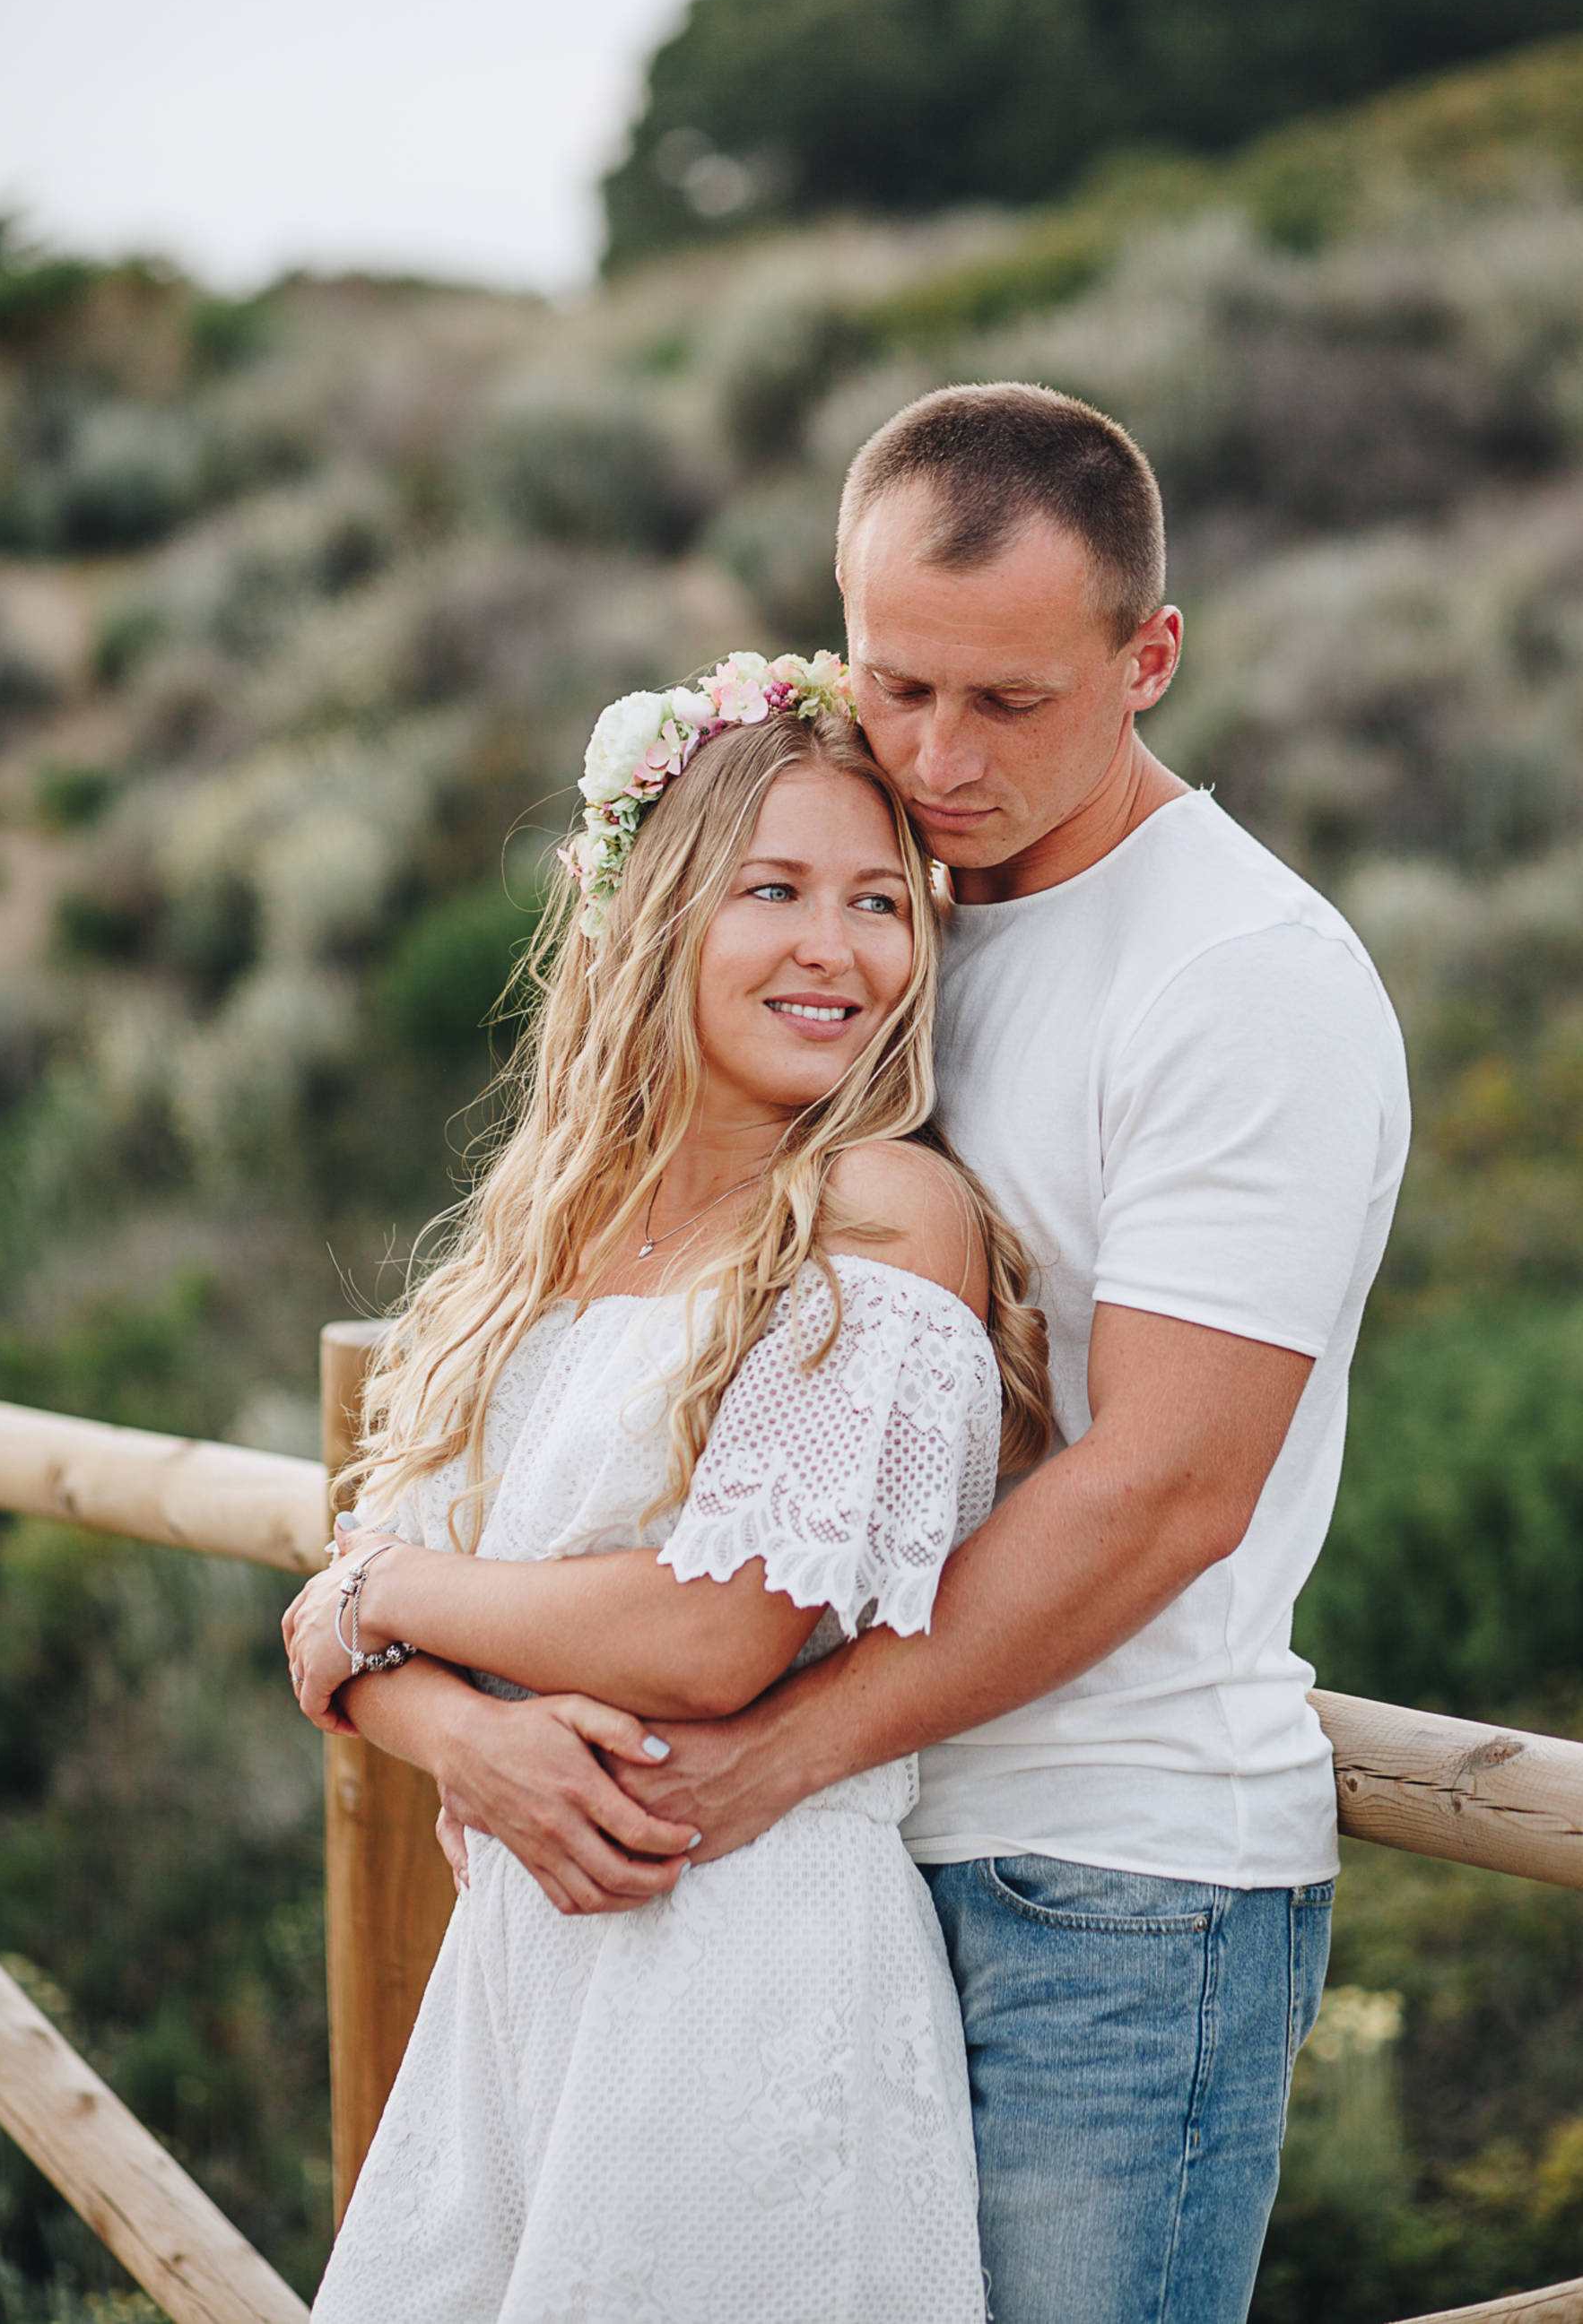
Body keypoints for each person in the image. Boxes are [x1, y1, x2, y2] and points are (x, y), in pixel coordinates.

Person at [347, 383, 1412, 2324]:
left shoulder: (1239, 974)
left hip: (1111, 1885)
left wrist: (755, 1762)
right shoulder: (900, 908)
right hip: (841, 1864)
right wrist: (433, 1699)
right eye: (902, 686)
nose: (939, 755)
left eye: (1011, 703)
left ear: (1148, 655)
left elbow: (1167, 1486)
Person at [284, 652, 1054, 2321]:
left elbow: (711, 1639)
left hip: (748, 1975)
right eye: (771, 888)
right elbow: (332, 1635)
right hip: (524, 1968)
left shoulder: (880, 1209)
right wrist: (463, 1732)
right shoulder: (546, 1231)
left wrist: (388, 1602)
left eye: (880, 902)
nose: (834, 950)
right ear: (654, 912)